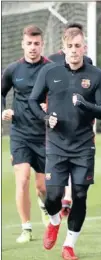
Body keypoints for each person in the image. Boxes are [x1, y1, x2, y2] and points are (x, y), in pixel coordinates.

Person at [28, 27, 101, 260]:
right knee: (52, 196)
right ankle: (54, 221)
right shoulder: (49, 72)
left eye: (78, 46)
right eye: (70, 47)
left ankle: (69, 245)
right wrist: (45, 118)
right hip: (56, 145)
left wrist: (86, 105)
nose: (74, 51)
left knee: (80, 196)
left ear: (84, 48)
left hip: (84, 145)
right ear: (63, 49)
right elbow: (33, 101)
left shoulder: (96, 75)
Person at [1, 25, 51, 243]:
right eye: (29, 43)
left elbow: (62, 93)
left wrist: (52, 107)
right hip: (20, 134)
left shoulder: (51, 69)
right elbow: (1, 93)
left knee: (42, 186)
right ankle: (26, 228)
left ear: (42, 45)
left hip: (44, 135)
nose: (33, 47)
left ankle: (44, 205)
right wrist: (4, 110)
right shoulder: (13, 70)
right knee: (22, 180)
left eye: (36, 43)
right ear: (23, 44)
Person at [47, 22, 93, 217]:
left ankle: (68, 197)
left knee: (80, 188)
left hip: (81, 128)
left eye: (78, 43)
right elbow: (43, 88)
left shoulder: (88, 63)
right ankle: (58, 202)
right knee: (52, 189)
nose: (74, 48)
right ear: (64, 42)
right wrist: (44, 107)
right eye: (70, 43)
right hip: (56, 126)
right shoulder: (51, 62)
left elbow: (91, 90)